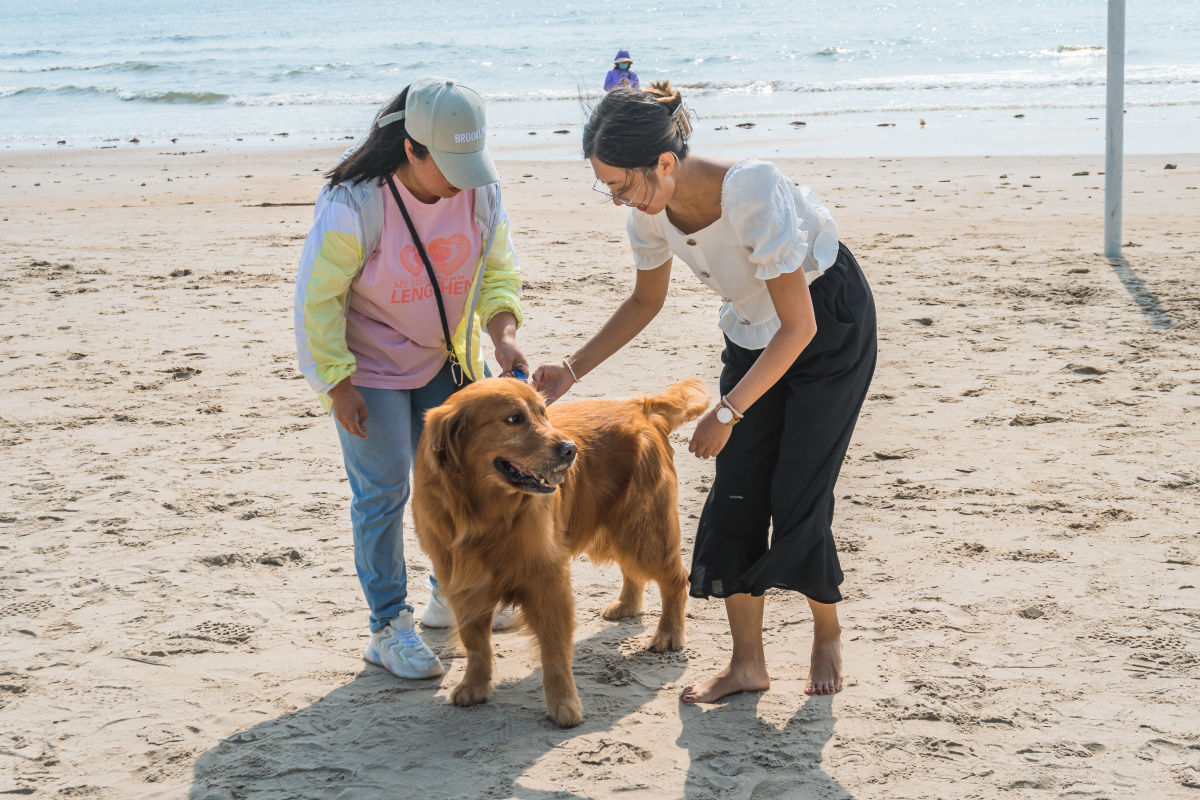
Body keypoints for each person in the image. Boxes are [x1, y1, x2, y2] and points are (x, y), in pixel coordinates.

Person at [533, 82, 876, 702]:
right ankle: (747, 664)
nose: (618, 199)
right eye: (607, 187)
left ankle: (826, 629)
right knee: (737, 494)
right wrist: (571, 369)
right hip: (752, 330)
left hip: (825, 326)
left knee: (798, 491)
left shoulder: (751, 189)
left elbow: (799, 327)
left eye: (621, 185)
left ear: (664, 163)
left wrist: (727, 409)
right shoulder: (648, 211)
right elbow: (645, 301)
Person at [294, 77, 528, 680]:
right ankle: (387, 626)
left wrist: (502, 334)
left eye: (470, 164)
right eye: (449, 165)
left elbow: (498, 274)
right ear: (411, 149)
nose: (462, 180)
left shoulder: (481, 193)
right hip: (367, 367)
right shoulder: (354, 203)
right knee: (384, 491)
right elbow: (318, 300)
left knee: (461, 476)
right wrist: (337, 383)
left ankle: (446, 594)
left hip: (445, 357)